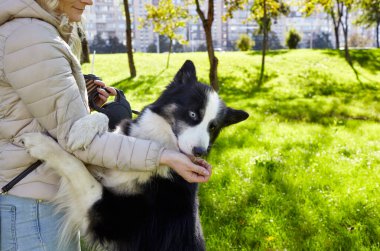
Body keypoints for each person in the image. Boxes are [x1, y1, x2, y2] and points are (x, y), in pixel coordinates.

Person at [0, 0, 212, 250]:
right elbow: (78, 141)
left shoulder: (31, 33)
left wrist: (83, 103)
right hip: (32, 206)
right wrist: (164, 156)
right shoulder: (31, 38)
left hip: (36, 198)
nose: (89, 1)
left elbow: (35, 112)